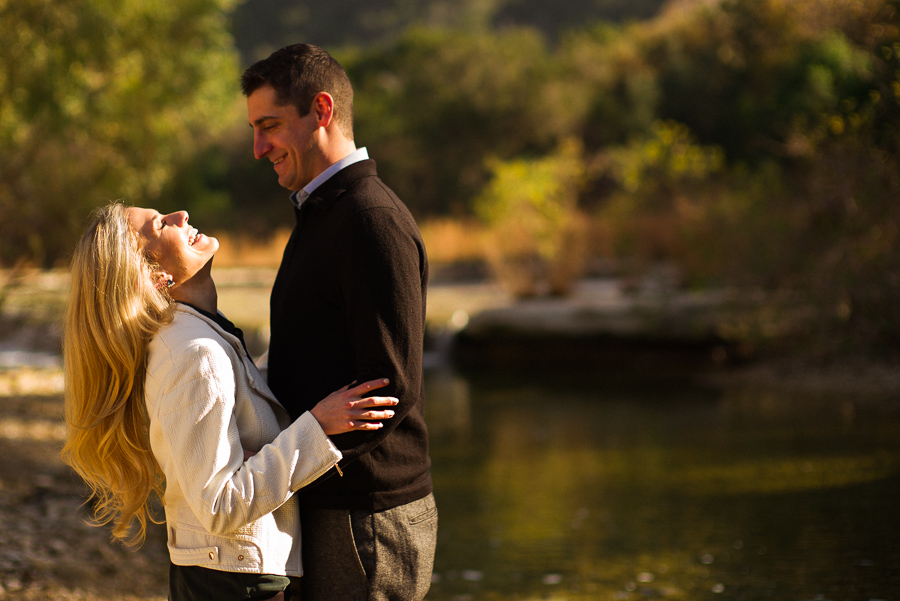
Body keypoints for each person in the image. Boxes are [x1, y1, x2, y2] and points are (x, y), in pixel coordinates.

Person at [61, 202, 399, 601]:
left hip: (222, 570)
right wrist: (318, 427)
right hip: (238, 581)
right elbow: (221, 505)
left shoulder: (196, 336)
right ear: (156, 277)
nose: (181, 215)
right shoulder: (195, 354)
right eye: (161, 224)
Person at [241, 44, 436, 600]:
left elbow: (389, 387)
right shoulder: (324, 211)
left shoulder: (370, 220)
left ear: (321, 111)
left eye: (270, 126)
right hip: (332, 504)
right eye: (255, 130)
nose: (259, 148)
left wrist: (282, 463)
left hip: (368, 516)